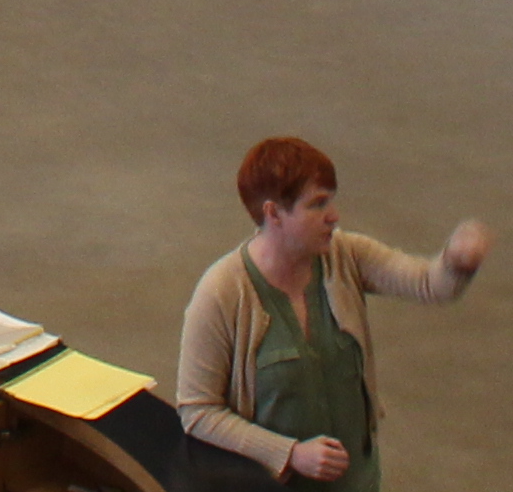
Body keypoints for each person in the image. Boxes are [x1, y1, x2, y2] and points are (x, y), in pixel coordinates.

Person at [173, 138, 490, 485]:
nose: (333, 217)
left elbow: (428, 283)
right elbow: (198, 411)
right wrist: (290, 453)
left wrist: (457, 262)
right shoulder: (221, 292)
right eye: (317, 205)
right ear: (273, 213)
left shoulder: (346, 255)